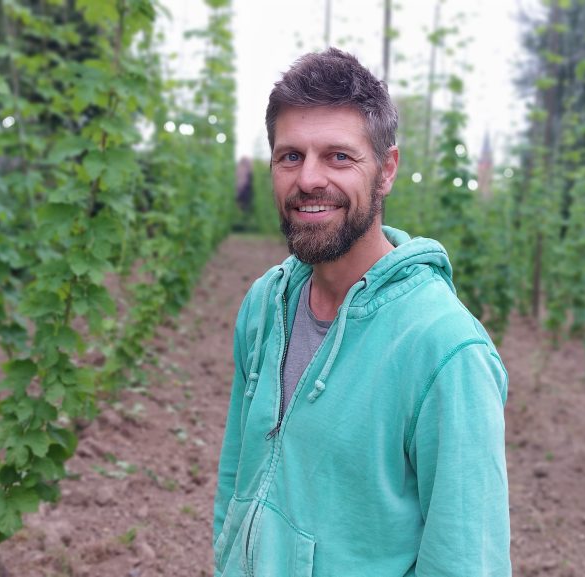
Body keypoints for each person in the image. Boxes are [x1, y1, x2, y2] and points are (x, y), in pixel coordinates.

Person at [212, 47, 511, 576]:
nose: (308, 179)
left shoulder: (445, 351)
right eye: (290, 156)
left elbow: (466, 563)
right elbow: (237, 473)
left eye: (338, 157)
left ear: (386, 169)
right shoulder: (264, 304)